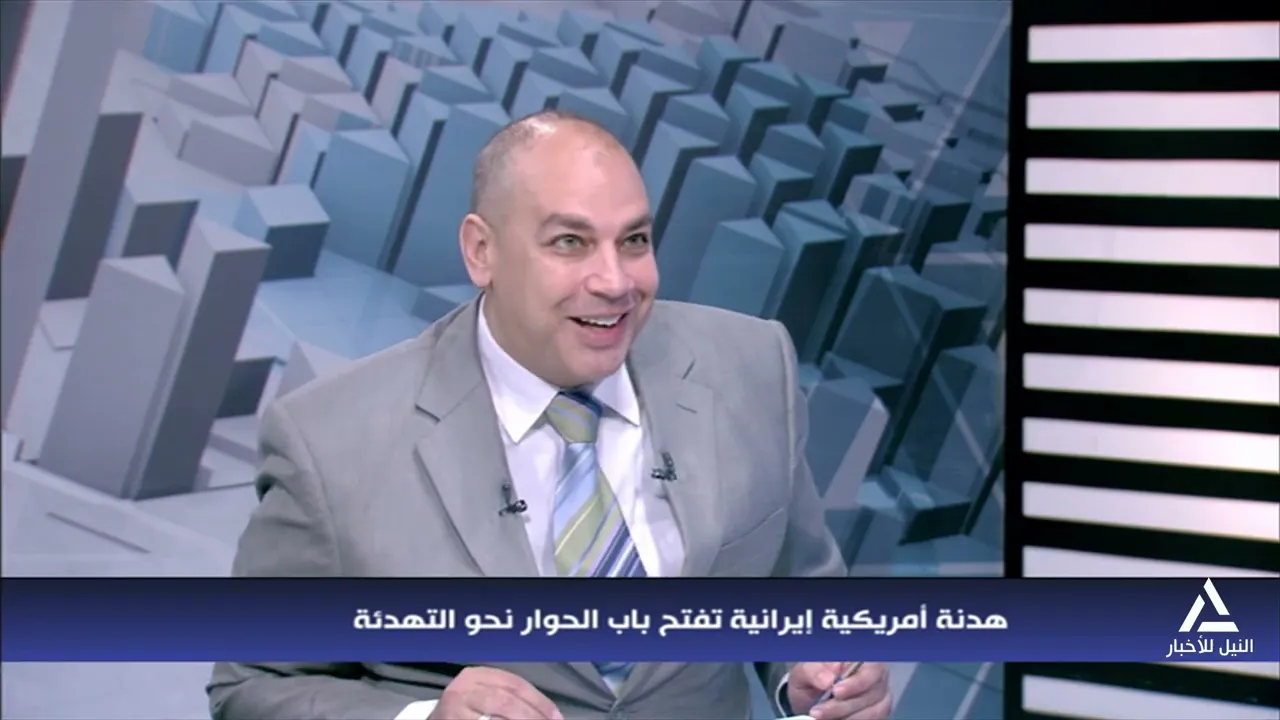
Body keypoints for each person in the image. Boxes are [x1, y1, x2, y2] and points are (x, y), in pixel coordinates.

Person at [208, 110, 892, 720]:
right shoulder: (329, 443)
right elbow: (253, 684)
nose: (615, 282)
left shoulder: (752, 366)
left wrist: (816, 673)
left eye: (634, 240)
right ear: (482, 251)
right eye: (570, 242)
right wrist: (423, 718)